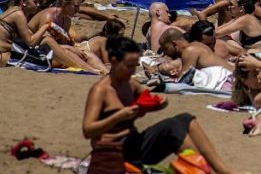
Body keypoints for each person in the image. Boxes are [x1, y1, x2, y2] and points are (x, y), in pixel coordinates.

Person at [82, 36, 247, 174]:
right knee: (173, 128)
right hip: (114, 149)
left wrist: (158, 103)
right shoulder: (101, 90)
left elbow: (154, 100)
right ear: (113, 61)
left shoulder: (129, 83)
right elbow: (88, 130)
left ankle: (222, 170)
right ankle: (204, 171)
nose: (132, 71)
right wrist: (121, 115)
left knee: (185, 119)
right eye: (128, 66)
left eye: (134, 66)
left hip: (134, 142)